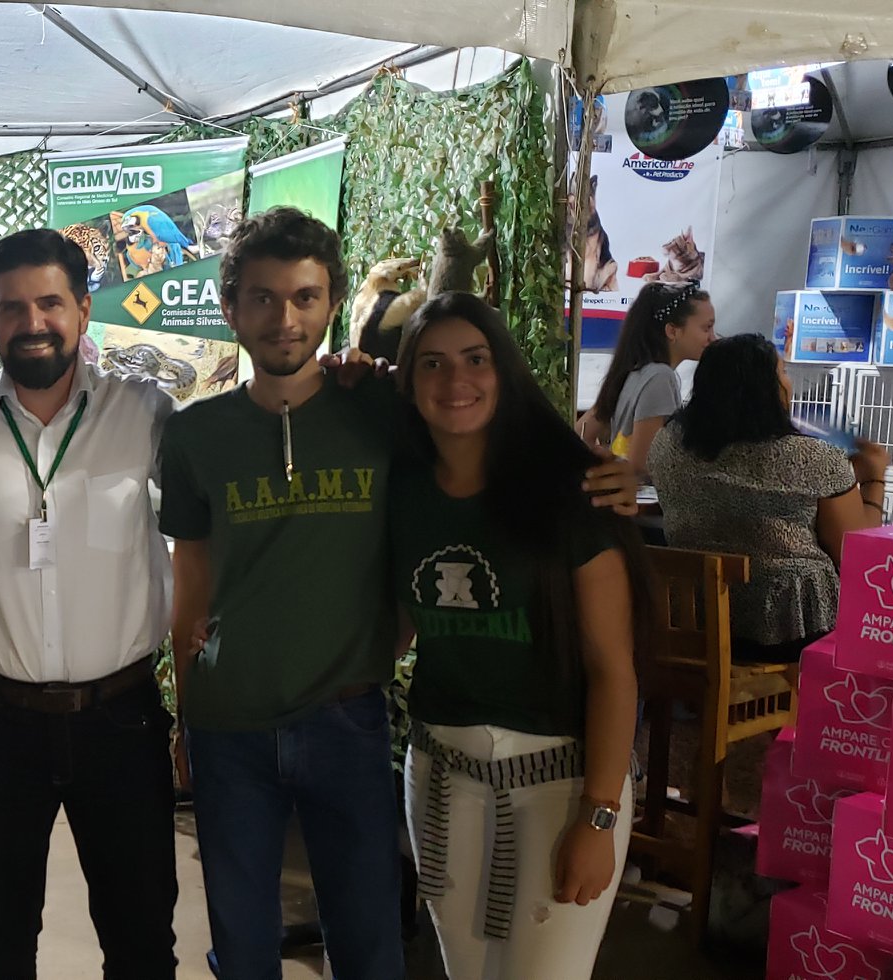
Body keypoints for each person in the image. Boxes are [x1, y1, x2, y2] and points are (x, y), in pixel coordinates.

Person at [157, 206, 638, 980]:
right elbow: (191, 589)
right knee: (244, 951)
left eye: (305, 297)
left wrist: (608, 472)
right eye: (263, 298)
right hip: (234, 726)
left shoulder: (380, 409)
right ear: (230, 308)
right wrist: (186, 714)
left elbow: (483, 431)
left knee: (372, 946)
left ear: (333, 302)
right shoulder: (194, 436)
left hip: (348, 720)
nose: (285, 318)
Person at [0, 228, 178, 979]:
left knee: (143, 938)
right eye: (12, 307)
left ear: (82, 310)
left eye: (50, 303)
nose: (32, 322)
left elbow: (238, 469)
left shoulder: (144, 413)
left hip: (122, 719)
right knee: (0, 938)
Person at [390, 292, 648, 980]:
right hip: (441, 776)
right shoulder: (401, 490)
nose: (456, 380)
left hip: (561, 784)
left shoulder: (574, 492)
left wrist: (599, 817)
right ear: (407, 381)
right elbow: (397, 627)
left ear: (504, 370)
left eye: (475, 359)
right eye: (432, 363)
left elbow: (613, 670)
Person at [647, 333, 889, 664]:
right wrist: (874, 479)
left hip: (690, 625)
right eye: (783, 372)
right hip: (786, 636)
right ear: (765, 389)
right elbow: (856, 554)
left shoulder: (667, 445)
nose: (789, 382)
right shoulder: (811, 458)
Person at [577, 280, 716, 476]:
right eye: (706, 328)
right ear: (672, 331)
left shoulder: (634, 371)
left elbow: (582, 431)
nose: (713, 338)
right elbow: (644, 466)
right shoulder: (660, 377)